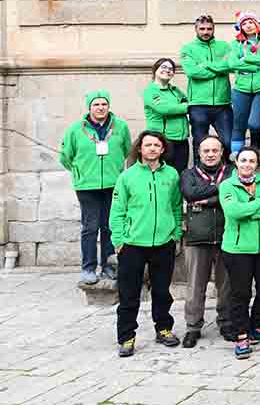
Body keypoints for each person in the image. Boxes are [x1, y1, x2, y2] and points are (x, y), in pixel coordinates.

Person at [111, 131, 183, 357]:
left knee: (162, 292)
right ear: (140, 149)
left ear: (163, 149)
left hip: (163, 242)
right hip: (132, 244)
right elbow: (118, 211)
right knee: (129, 293)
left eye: (156, 145)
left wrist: (176, 232)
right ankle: (127, 337)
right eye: (147, 145)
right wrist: (119, 240)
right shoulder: (127, 177)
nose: (152, 148)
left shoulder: (171, 174)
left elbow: (176, 206)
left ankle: (163, 329)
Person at [61, 91, 132, 285]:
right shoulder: (76, 129)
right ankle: (88, 267)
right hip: (87, 186)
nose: (100, 107)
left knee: (110, 225)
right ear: (89, 107)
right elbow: (66, 156)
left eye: (104, 104)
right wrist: (80, 171)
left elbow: (127, 150)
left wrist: (115, 168)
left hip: (114, 183)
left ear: (108, 106)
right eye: (96, 104)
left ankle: (109, 265)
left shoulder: (121, 126)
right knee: (90, 227)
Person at [219, 148, 260, 359]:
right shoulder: (227, 185)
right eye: (243, 160)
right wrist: (257, 203)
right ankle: (242, 335)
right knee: (241, 294)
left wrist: (250, 209)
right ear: (237, 163)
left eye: (252, 161)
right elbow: (233, 212)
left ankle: (257, 324)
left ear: (257, 164)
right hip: (237, 249)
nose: (247, 164)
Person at [180, 135, 234, 348]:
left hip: (226, 236)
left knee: (226, 284)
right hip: (197, 237)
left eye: (215, 150)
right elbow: (190, 194)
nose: (210, 155)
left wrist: (207, 198)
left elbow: (234, 195)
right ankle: (193, 327)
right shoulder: (188, 174)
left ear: (221, 152)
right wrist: (220, 189)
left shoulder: (231, 172)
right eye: (206, 151)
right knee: (195, 286)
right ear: (199, 153)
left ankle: (226, 322)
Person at [180, 15, 233, 161]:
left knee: (228, 142)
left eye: (209, 29)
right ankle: (198, 176)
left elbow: (230, 65)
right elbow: (192, 72)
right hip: (198, 104)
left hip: (223, 104)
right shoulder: (188, 49)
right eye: (202, 29)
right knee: (199, 143)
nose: (205, 32)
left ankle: (225, 174)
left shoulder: (225, 46)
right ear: (196, 29)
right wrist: (219, 69)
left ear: (214, 29)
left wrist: (207, 65)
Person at [227, 12, 260, 157]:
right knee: (238, 124)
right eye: (244, 24)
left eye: (251, 22)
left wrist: (246, 59)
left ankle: (254, 147)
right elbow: (232, 63)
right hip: (241, 89)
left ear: (256, 24)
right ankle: (236, 155)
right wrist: (254, 66)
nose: (248, 25)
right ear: (240, 28)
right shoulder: (235, 44)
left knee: (255, 124)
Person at [142, 58, 190, 173]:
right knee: (163, 174)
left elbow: (187, 101)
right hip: (163, 140)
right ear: (155, 70)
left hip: (181, 140)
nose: (167, 70)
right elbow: (165, 108)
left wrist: (184, 106)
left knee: (180, 174)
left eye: (171, 69)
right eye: (163, 67)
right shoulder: (150, 90)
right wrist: (186, 107)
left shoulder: (175, 90)